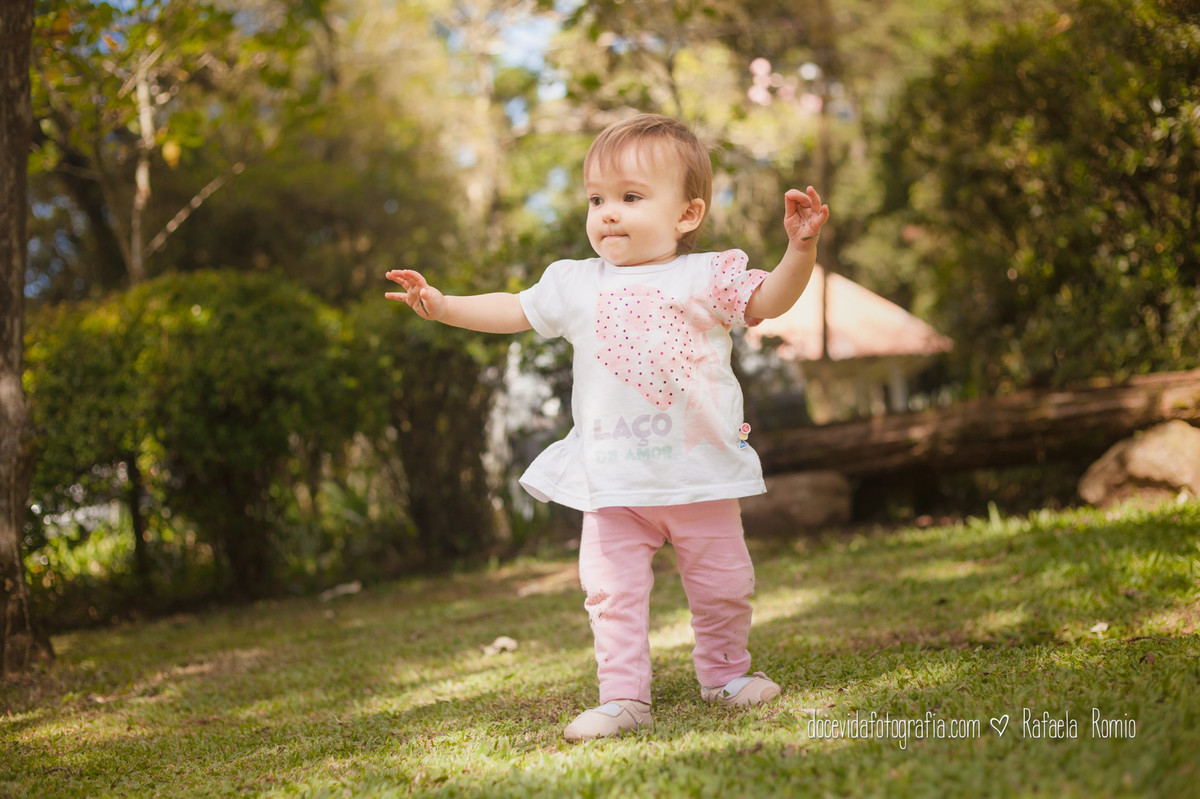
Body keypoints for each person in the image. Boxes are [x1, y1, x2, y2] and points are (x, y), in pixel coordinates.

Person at [386, 113, 829, 742]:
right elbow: (513, 309)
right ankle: (624, 698)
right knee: (610, 596)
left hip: (697, 473)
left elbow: (767, 302)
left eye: (630, 197)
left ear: (687, 214)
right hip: (612, 480)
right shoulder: (576, 282)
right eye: (597, 199)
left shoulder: (703, 275)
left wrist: (801, 248)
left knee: (724, 584)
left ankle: (726, 675)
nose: (608, 213)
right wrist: (443, 305)